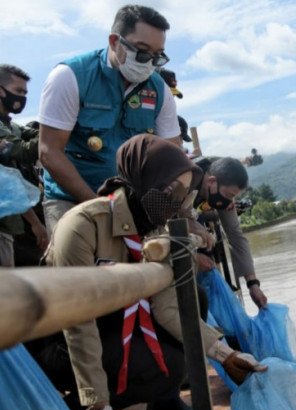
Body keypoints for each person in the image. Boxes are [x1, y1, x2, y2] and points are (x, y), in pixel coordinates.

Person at [44, 134, 266, 410]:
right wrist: (98, 406)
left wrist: (226, 353)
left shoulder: (154, 231)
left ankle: (163, 405)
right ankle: (77, 406)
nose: (177, 204)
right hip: (62, 341)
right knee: (157, 369)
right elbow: (77, 321)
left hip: (112, 325)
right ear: (143, 180)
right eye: (170, 191)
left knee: (188, 322)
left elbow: (168, 307)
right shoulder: (82, 226)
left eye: (183, 194)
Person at [38, 4, 181, 235]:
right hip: (71, 199)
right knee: (78, 268)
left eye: (157, 57)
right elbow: (49, 152)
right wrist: (101, 207)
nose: (149, 62)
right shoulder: (70, 77)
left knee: (154, 265)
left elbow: (172, 159)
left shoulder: (159, 91)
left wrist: (173, 215)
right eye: (142, 51)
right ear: (115, 41)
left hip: (135, 205)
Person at [194, 156, 268, 308]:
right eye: (229, 196)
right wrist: (193, 258)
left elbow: (235, 235)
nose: (230, 202)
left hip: (198, 212)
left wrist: (253, 284)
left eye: (233, 197)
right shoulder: (187, 178)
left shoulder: (225, 194)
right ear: (212, 181)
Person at [0, 64, 48, 267]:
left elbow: (38, 137)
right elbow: (24, 151)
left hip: (19, 224)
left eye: (25, 92)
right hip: (9, 222)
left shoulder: (12, 126)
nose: (22, 97)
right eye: (18, 91)